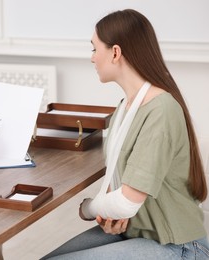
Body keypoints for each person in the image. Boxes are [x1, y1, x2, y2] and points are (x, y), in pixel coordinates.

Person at [42, 9, 209, 260]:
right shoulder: (125, 107)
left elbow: (126, 202)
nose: (92, 58)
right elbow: (117, 183)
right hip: (137, 231)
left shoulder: (161, 110)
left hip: (179, 245)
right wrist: (109, 215)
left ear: (116, 53)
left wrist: (87, 208)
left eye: (94, 49)